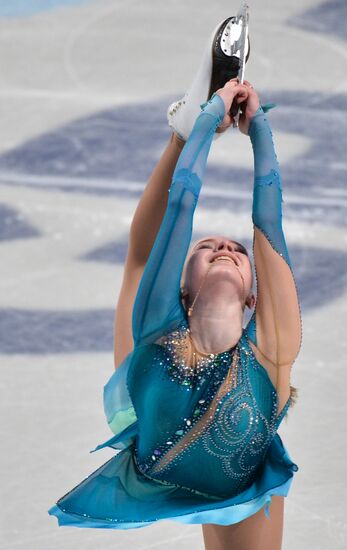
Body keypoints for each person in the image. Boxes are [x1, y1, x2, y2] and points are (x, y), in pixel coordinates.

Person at [48, 15, 302, 550]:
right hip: (149, 412)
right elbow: (177, 212)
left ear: (254, 297)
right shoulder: (157, 328)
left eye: (234, 251)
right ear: (182, 291)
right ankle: (175, 131)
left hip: (239, 459)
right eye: (206, 248)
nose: (224, 247)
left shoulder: (273, 354)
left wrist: (256, 131)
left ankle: (183, 128)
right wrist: (200, 128)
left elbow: (267, 229)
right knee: (138, 267)